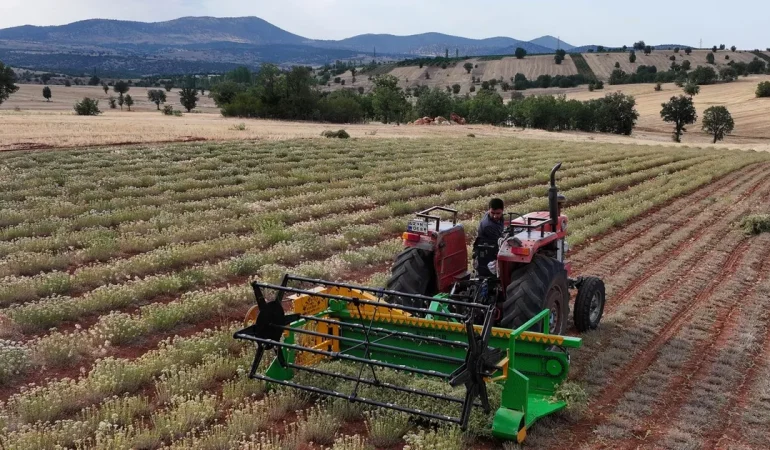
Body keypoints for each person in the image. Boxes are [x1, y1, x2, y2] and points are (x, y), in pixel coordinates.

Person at [474, 198, 504, 277]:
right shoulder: (488, 226)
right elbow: (499, 242)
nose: (495, 216)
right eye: (492, 213)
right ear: (489, 210)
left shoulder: (498, 218)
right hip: (488, 252)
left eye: (498, 213)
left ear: (502, 211)